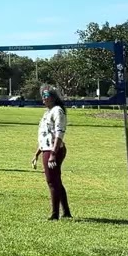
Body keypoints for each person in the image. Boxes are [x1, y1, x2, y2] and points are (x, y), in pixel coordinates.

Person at [33, 87, 71, 220]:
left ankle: (55, 214)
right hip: (47, 149)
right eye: (43, 96)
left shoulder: (57, 111)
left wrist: (53, 154)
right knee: (56, 181)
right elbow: (45, 135)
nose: (44, 98)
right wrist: (37, 152)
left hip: (53, 150)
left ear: (54, 97)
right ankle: (66, 211)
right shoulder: (47, 112)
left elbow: (59, 133)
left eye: (46, 96)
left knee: (52, 181)